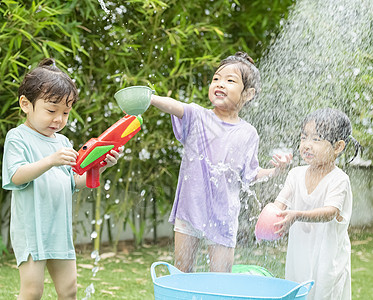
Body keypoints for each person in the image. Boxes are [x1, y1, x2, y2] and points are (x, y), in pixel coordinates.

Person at [150, 52, 292, 273]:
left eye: (230, 80)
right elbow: (174, 105)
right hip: (191, 208)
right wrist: (149, 98)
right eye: (216, 78)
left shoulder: (248, 133)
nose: (220, 84)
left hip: (224, 215)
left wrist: (276, 171)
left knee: (221, 278)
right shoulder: (198, 117)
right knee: (182, 272)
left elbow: (251, 175)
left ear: (248, 94)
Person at [2, 58, 120, 300]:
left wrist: (100, 166)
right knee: (32, 291)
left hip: (59, 230)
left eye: (65, 112)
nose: (59, 119)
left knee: (69, 290)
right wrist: (50, 160)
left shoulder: (63, 142)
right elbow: (15, 176)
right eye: (51, 111)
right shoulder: (18, 137)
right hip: (32, 231)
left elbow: (73, 182)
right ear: (26, 104)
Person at [273, 108, 361, 300]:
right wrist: (268, 221)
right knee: (297, 294)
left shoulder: (339, 180)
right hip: (299, 258)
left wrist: (296, 215)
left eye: (316, 139)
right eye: (304, 137)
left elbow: (330, 212)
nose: (306, 145)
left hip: (328, 264)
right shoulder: (295, 174)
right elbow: (279, 204)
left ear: (338, 147)